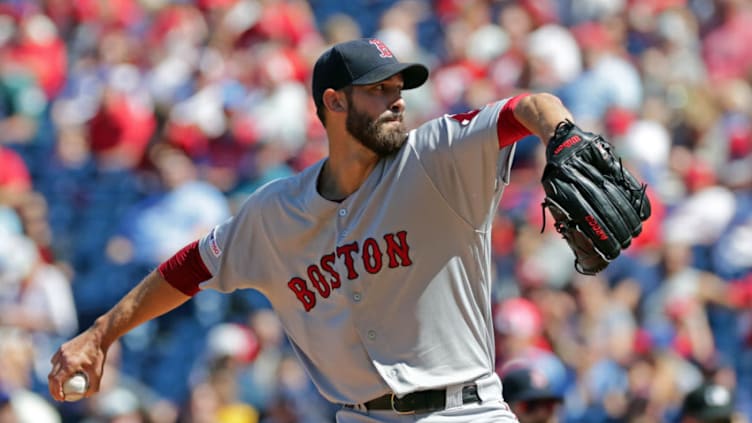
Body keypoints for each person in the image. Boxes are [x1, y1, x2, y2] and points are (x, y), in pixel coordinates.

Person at [49, 38, 577, 422]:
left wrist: (564, 137)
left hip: (466, 412)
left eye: (400, 88)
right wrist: (102, 333)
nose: (397, 100)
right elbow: (188, 269)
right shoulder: (276, 211)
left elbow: (527, 107)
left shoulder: (434, 156)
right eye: (378, 89)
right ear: (334, 102)